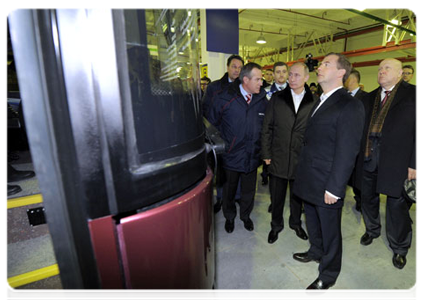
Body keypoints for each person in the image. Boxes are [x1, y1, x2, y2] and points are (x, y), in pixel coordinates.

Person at [292, 53, 365, 296]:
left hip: (327, 180)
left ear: (341, 72)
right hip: (310, 175)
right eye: (321, 64)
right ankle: (315, 251)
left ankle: (329, 273)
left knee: (330, 230)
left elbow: (347, 150)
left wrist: (335, 187)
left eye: (326, 64)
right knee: (311, 219)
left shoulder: (349, 104)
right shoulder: (320, 100)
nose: (319, 67)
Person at [358, 58, 419, 270]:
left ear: (401, 73)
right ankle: (372, 230)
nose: (381, 71)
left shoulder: (414, 95)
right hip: (368, 158)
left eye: (387, 68)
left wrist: (417, 163)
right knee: (368, 198)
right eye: (379, 68)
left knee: (396, 206)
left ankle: (400, 247)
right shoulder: (370, 97)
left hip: (397, 162)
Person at [208, 62, 268, 233]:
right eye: (257, 79)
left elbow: (266, 128)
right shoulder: (225, 98)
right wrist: (223, 147)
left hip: (252, 155)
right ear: (246, 80)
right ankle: (230, 217)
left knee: (249, 191)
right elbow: (212, 125)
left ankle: (245, 216)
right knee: (229, 190)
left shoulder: (262, 101)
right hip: (230, 156)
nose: (261, 83)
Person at [261, 62, 317, 244]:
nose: (291, 78)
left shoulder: (315, 101)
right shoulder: (277, 98)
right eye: (290, 74)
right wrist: (266, 153)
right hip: (278, 155)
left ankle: (295, 223)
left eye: (296, 75)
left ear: (307, 77)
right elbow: (267, 128)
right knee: (276, 196)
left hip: (301, 158)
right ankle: (276, 226)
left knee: (297, 196)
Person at [203, 55, 244, 213]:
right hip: (219, 136)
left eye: (240, 68)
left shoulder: (243, 86)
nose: (237, 70)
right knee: (221, 169)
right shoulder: (214, 87)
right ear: (227, 67)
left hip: (237, 135)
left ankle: (237, 196)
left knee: (238, 168)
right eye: (234, 66)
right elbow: (206, 109)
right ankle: (220, 197)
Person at [261, 62, 289, 192]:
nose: (281, 74)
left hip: (290, 139)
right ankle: (275, 202)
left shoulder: (296, 91)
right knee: (274, 176)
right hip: (272, 141)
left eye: (284, 71)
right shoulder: (265, 93)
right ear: (273, 74)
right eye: (278, 72)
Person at [344, 68, 368, 212]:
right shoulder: (343, 96)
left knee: (359, 175)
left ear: (352, 79)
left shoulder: (366, 98)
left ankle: (360, 199)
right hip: (344, 142)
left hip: (359, 142)